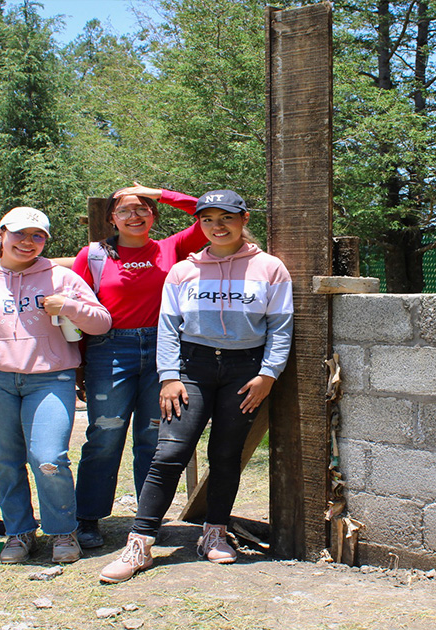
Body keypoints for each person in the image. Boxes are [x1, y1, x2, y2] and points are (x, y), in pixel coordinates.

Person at [99, 189, 293, 584]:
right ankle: (140, 542)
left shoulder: (271, 268)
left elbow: (280, 326)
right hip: (193, 367)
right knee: (169, 452)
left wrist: (268, 375)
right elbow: (168, 327)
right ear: (199, 224)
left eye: (226, 218)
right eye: (208, 219)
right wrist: (169, 375)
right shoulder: (184, 271)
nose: (217, 227)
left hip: (246, 372)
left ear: (244, 219)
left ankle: (214, 534)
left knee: (225, 453)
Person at [0, 206, 112, 564]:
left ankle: (63, 530)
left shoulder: (61, 278)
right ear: (0, 234)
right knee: (4, 459)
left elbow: (102, 323)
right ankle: (18, 532)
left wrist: (70, 307)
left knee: (48, 457)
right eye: (19, 234)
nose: (27, 242)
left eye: (38, 236)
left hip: (50, 377)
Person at [70, 184, 204, 550]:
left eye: (143, 208)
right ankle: (88, 519)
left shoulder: (169, 249)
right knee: (105, 436)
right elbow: (82, 310)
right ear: (111, 218)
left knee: (152, 438)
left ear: (154, 215)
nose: (135, 215)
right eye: (126, 210)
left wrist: (156, 191)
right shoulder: (93, 256)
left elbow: (203, 209)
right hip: (109, 350)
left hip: (163, 350)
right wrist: (80, 363)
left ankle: (147, 522)